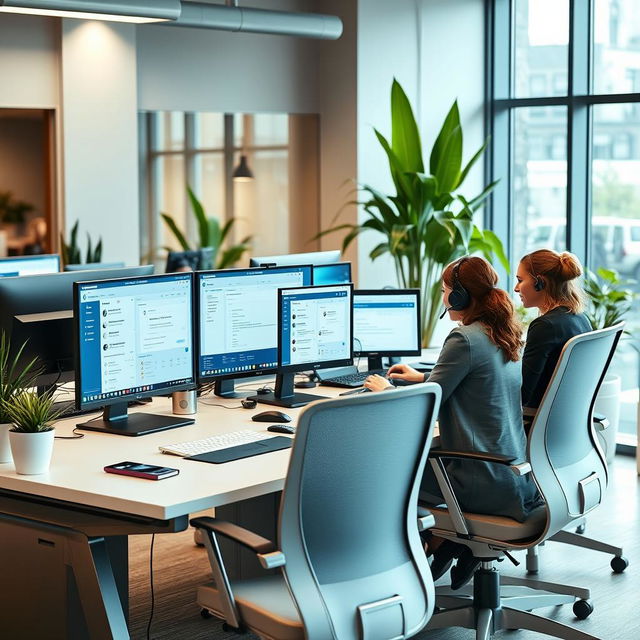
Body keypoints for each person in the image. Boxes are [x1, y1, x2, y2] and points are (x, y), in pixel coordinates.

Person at [365, 256, 540, 589]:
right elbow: (471, 382)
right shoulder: (500, 331)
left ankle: (406, 569)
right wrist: (423, 377)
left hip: (478, 478)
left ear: (460, 297)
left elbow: (421, 410)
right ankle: (445, 543)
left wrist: (386, 389)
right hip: (511, 473)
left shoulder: (462, 339)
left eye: (447, 291)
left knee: (378, 476)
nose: (444, 298)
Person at [514, 249, 591, 424]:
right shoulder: (581, 319)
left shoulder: (545, 326)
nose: (516, 287)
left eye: (520, 280)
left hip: (536, 423)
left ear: (540, 282)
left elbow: (522, 394)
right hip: (565, 423)